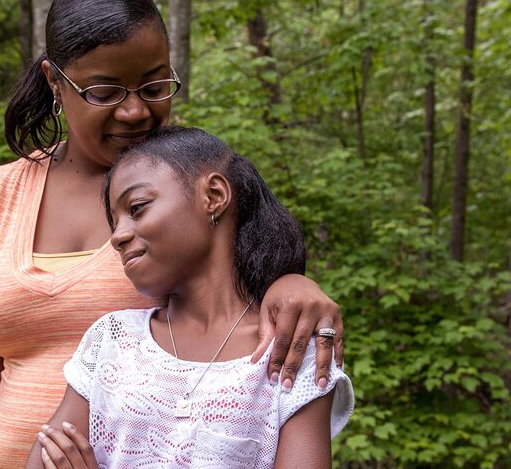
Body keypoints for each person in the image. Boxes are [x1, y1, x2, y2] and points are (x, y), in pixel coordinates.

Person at [0, 0, 345, 467]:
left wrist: (293, 279)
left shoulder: (188, 191)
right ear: (55, 81)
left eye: (154, 87)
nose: (135, 112)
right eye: (105, 92)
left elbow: (248, 285)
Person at [27, 127, 353, 469]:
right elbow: (45, 458)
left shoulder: (290, 349)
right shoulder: (112, 341)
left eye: (137, 208)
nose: (118, 236)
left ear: (213, 195)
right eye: (114, 223)